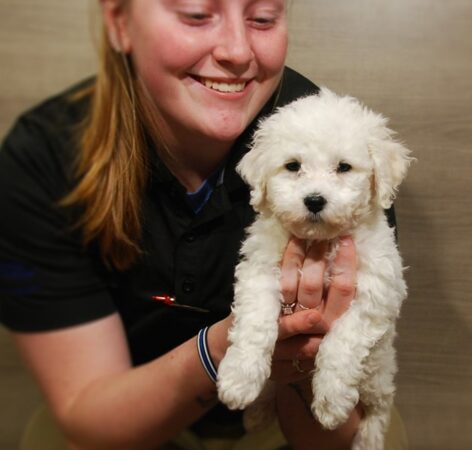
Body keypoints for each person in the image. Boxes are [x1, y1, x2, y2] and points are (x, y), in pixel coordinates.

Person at [0, 1, 406, 449]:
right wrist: (222, 349)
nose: (236, 50)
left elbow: (332, 434)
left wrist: (306, 367)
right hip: (128, 404)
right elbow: (89, 415)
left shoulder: (338, 143)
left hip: (286, 415)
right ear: (119, 22)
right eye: (196, 13)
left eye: (263, 17)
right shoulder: (45, 158)